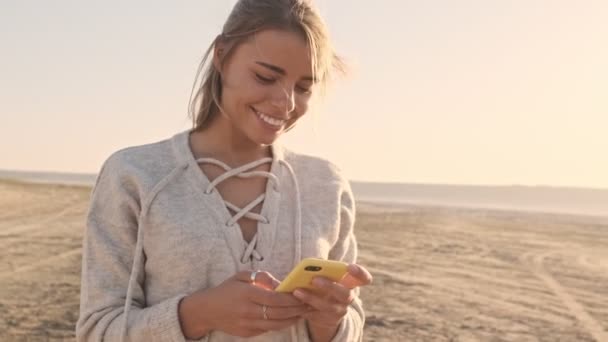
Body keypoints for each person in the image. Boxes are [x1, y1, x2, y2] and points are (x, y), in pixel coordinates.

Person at [75, 0, 372, 341]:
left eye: (304, 87)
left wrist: (330, 323)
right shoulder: (135, 176)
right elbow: (97, 331)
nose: (286, 101)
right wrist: (198, 314)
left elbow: (351, 329)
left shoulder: (326, 185)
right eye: (266, 76)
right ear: (222, 55)